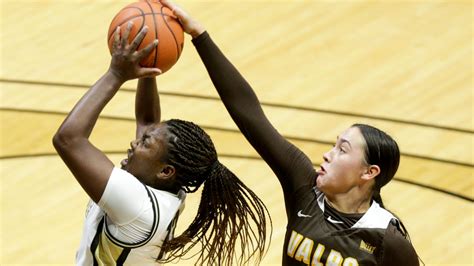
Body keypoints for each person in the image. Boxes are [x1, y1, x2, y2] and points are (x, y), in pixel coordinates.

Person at [161, 0, 421, 264]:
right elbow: (249, 115)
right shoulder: (304, 190)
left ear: (369, 172)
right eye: (334, 145)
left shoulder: (387, 239)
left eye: (342, 149)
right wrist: (200, 36)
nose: (327, 155)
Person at [52, 21, 270, 265]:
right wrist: (148, 69)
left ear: (166, 171)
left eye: (144, 143)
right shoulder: (169, 188)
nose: (134, 144)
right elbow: (147, 121)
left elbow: (68, 139)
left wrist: (116, 74)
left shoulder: (136, 206)